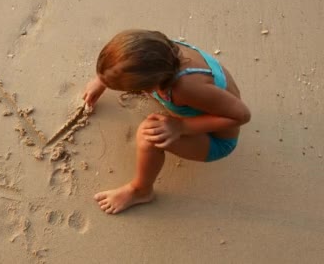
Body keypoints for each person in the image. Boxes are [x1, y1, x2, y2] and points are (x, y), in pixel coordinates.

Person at [83, 29, 250, 214]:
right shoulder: (160, 50)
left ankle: (141, 190)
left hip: (215, 139)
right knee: (129, 71)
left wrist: (181, 126)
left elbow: (241, 116)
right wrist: (103, 79)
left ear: (150, 85)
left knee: (148, 136)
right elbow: (128, 60)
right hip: (211, 101)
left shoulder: (185, 88)